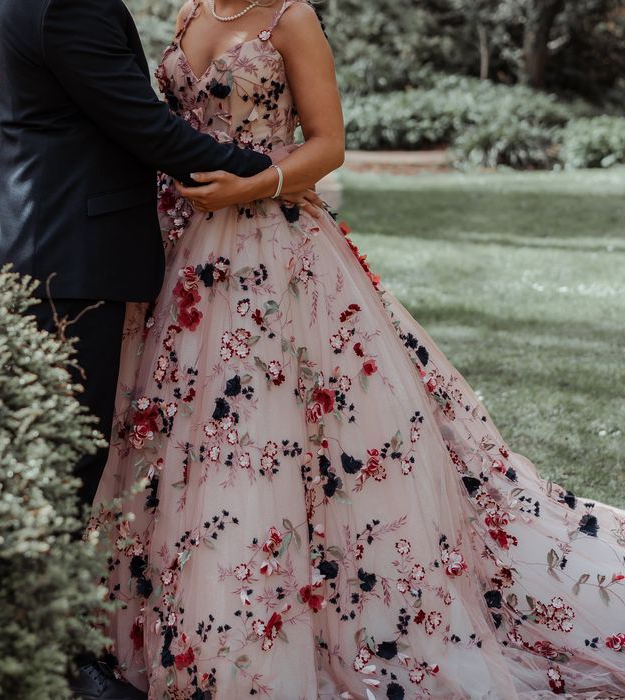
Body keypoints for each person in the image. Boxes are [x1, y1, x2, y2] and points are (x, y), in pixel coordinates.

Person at [91, 1, 625, 698]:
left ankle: (269, 624)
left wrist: (250, 185)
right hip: (177, 254)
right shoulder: (190, 11)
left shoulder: (291, 18)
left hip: (269, 252)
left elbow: (328, 143)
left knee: (269, 429)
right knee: (177, 433)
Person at [0, 0, 320, 697]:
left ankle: (40, 631)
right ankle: (48, 656)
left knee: (67, 455)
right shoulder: (72, 6)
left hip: (39, 231)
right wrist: (261, 176)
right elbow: (142, 125)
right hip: (71, 253)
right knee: (72, 463)